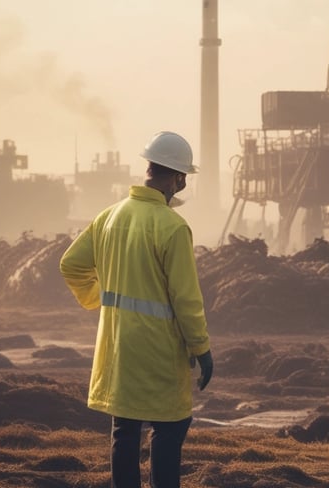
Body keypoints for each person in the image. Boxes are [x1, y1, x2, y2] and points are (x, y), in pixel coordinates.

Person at [59, 131, 213, 488]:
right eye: (184, 178)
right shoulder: (172, 227)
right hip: (158, 351)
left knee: (124, 431)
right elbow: (186, 300)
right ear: (177, 177)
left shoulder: (109, 217)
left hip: (117, 349)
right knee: (170, 427)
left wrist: (99, 298)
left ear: (148, 168)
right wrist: (201, 349)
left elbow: (71, 265)